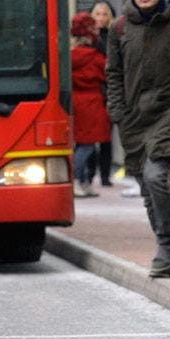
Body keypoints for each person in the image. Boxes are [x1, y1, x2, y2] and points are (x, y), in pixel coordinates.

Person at [106, 0, 170, 278]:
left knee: (156, 177)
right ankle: (167, 252)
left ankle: (167, 245)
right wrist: (117, 113)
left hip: (167, 116)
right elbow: (113, 75)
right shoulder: (118, 28)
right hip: (131, 120)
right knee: (146, 187)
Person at [70, 12, 111, 199]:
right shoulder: (95, 57)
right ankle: (77, 180)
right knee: (88, 145)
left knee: (82, 144)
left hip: (76, 101)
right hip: (93, 102)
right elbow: (107, 74)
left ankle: (83, 181)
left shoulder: (69, 57)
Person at [89, 0, 116, 188]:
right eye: (97, 14)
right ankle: (89, 174)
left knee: (107, 136)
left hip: (109, 92)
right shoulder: (85, 38)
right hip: (92, 93)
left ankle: (105, 175)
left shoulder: (113, 38)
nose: (101, 18)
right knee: (89, 137)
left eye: (105, 14)